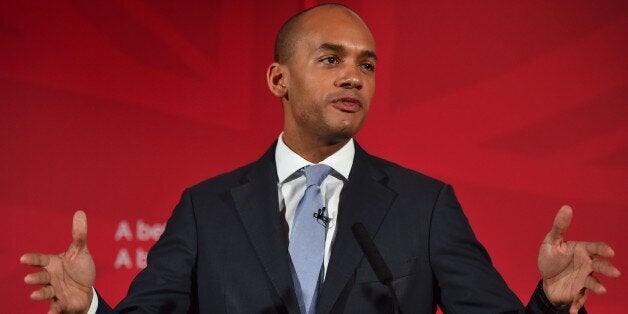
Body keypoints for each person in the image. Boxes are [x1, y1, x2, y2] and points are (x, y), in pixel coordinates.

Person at [21, 4, 619, 314]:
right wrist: (88, 307)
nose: (354, 77)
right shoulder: (206, 210)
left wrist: (552, 299)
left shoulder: (424, 206)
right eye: (330, 59)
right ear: (279, 79)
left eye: (367, 64)